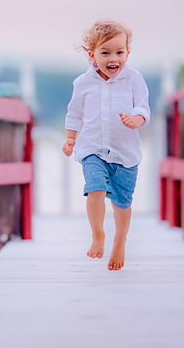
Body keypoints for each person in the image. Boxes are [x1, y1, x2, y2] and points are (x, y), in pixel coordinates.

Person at [62, 20, 150, 270]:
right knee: (95, 189)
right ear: (92, 56)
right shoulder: (82, 83)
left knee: (122, 203)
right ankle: (98, 234)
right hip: (92, 150)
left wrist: (137, 119)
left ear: (127, 53)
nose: (114, 58)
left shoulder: (134, 79)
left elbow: (143, 106)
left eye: (119, 52)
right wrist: (71, 138)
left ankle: (119, 241)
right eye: (105, 52)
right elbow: (74, 114)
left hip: (125, 154)